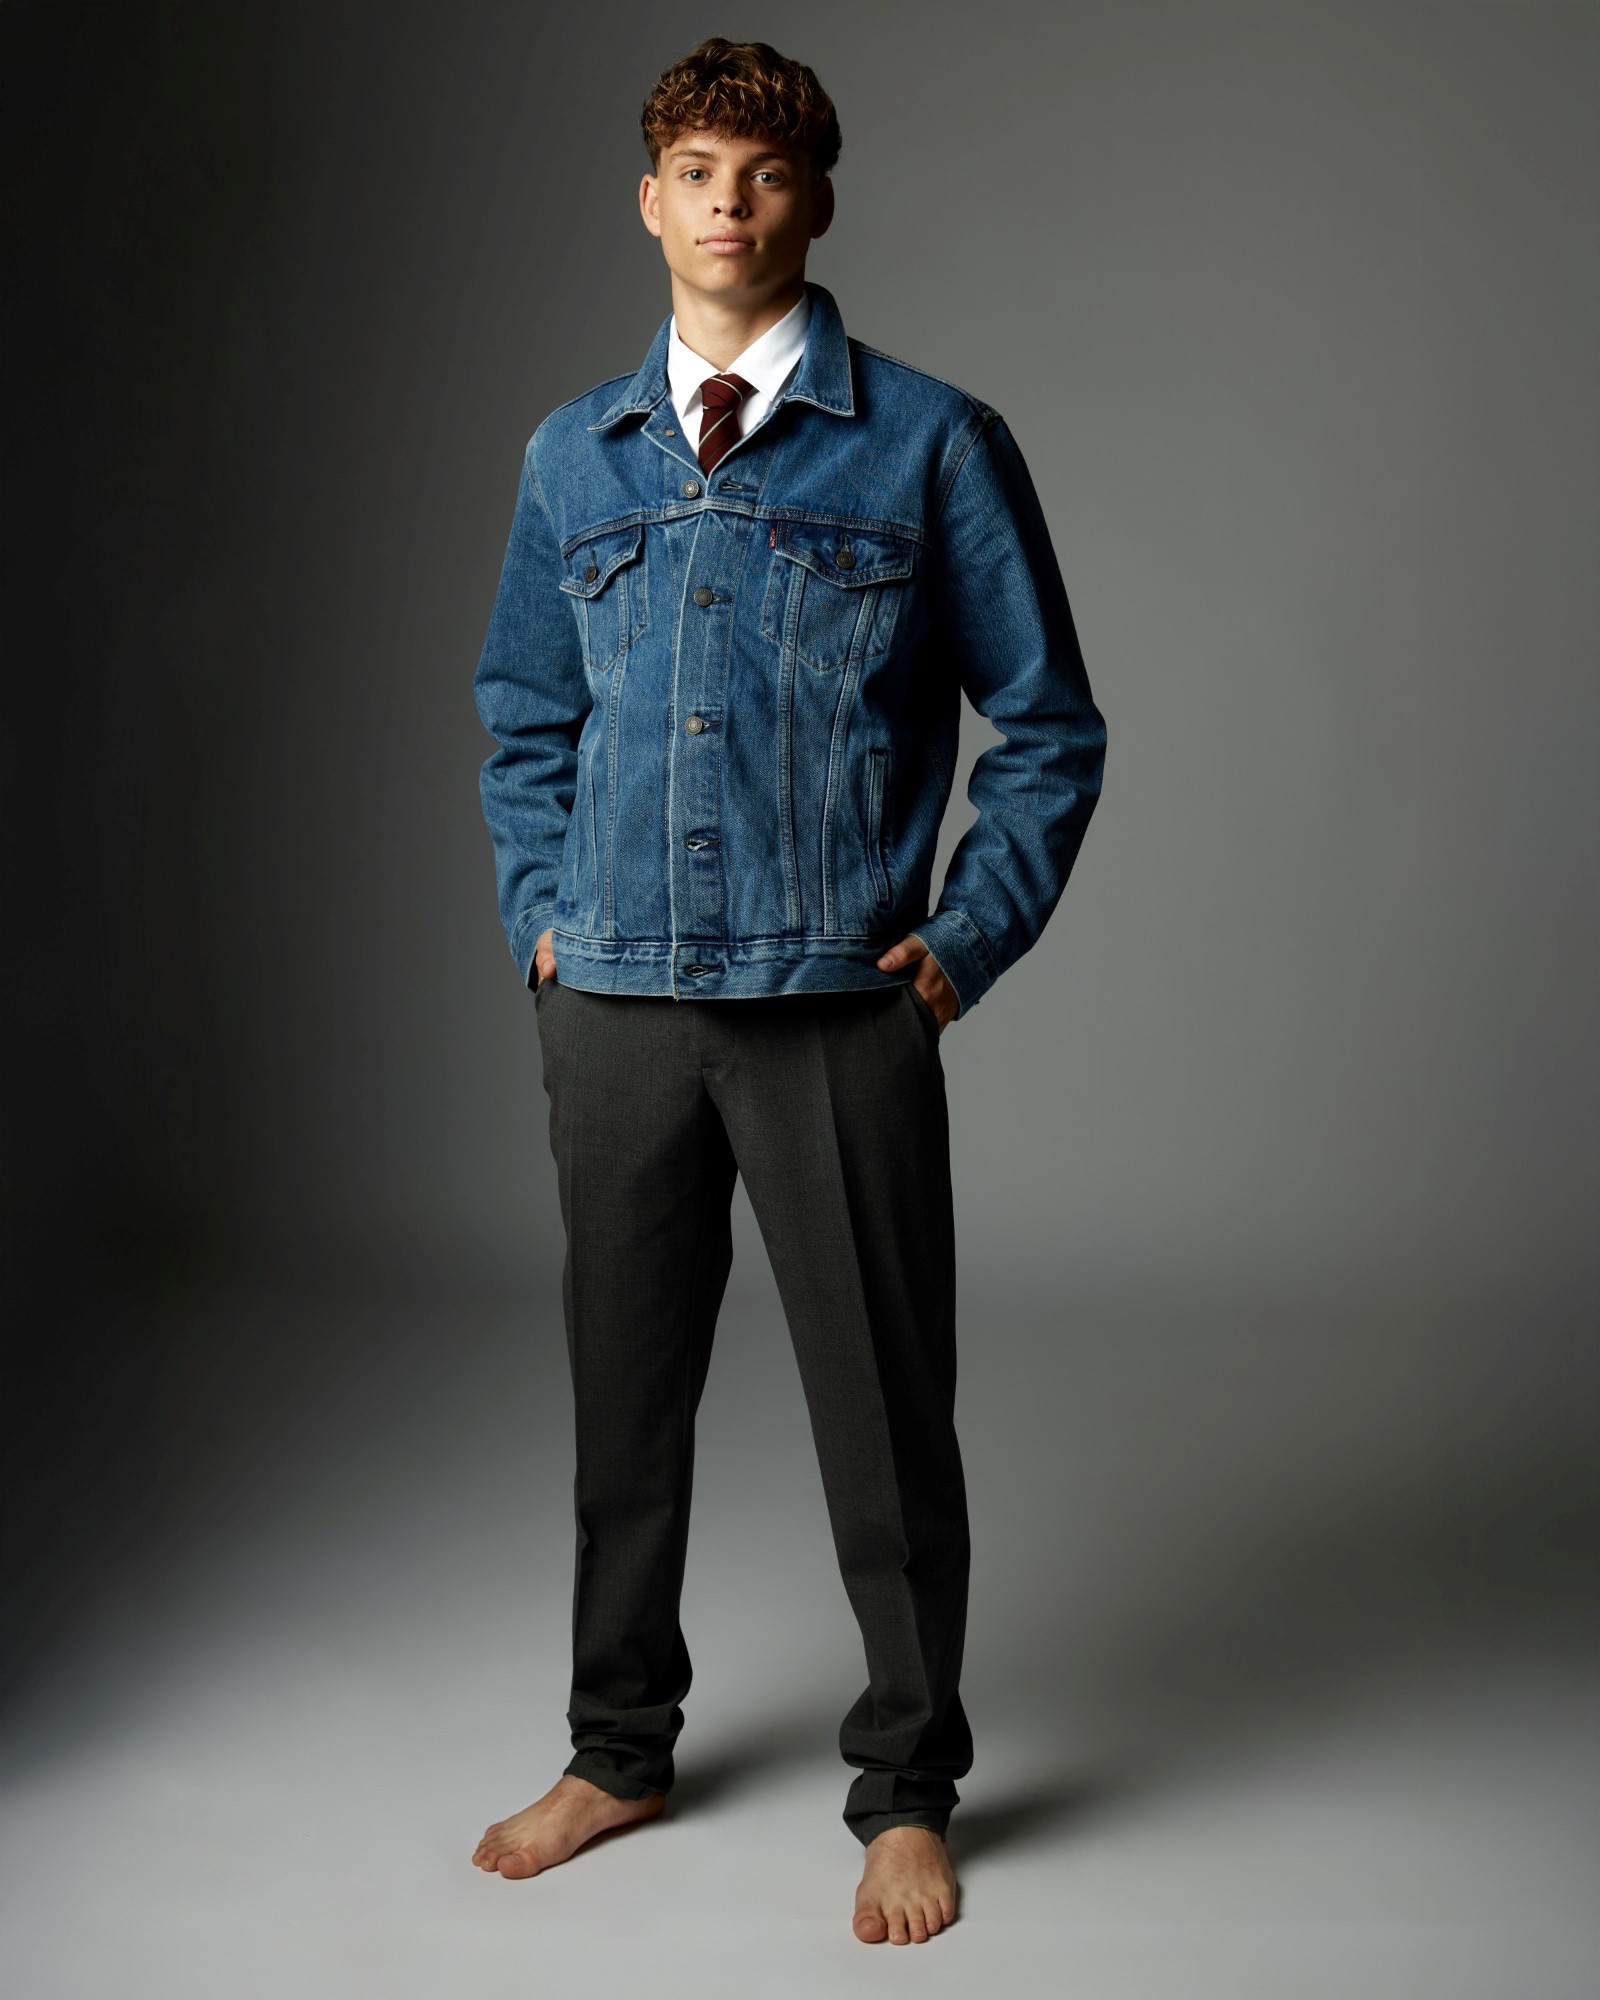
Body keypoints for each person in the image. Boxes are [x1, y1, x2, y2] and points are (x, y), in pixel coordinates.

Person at [468, 36, 1106, 1946]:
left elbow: (1050, 730)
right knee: (623, 1416)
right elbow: (523, 716)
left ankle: (907, 1791)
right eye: (696, 171)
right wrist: (541, 915)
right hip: (617, 1010)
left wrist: (961, 944)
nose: (729, 205)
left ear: (817, 199)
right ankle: (617, 1749)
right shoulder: (570, 456)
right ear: (647, 200)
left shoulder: (931, 443)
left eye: (763, 173)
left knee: (887, 1419)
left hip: (838, 1006)